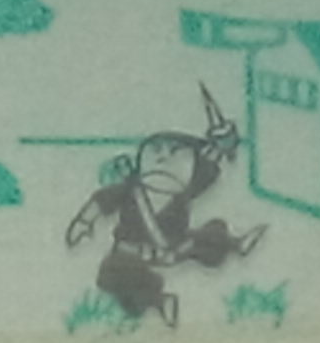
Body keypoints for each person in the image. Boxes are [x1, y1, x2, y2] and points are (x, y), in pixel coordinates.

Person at [67, 88, 265, 326]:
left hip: (176, 248)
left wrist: (221, 144)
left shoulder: (184, 191)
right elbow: (101, 202)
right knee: (114, 274)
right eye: (156, 151)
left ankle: (236, 244)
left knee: (210, 235)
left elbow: (210, 164)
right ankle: (159, 301)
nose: (164, 158)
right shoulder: (129, 191)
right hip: (130, 253)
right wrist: (84, 222)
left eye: (175, 154)